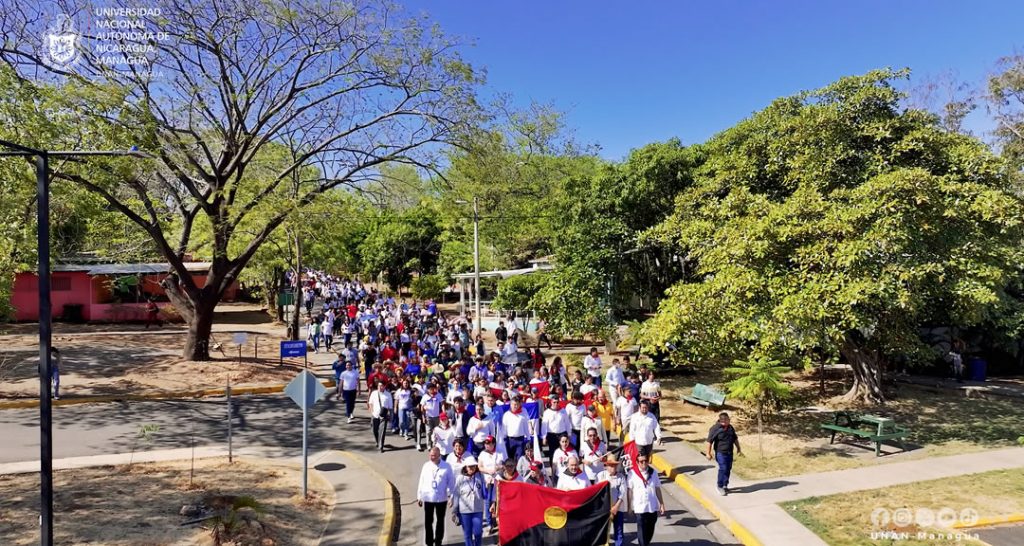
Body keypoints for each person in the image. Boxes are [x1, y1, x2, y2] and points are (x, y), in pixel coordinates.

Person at [416, 447, 455, 546]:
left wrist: (451, 496)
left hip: (441, 498)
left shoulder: (447, 466)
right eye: (430, 455)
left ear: (439, 456)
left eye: (433, 456)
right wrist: (419, 496)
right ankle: (429, 542)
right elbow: (422, 481)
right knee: (428, 521)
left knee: (440, 520)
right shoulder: (426, 466)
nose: (431, 457)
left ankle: (438, 541)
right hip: (428, 497)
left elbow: (451, 483)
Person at [627, 453, 665, 546]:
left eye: (645, 461)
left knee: (650, 530)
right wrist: (629, 506)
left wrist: (661, 503)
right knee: (641, 531)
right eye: (641, 461)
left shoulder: (653, 472)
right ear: (637, 462)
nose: (644, 463)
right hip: (640, 508)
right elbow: (630, 491)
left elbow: (657, 488)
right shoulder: (632, 473)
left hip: (652, 507)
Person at [452, 455, 486, 546]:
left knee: (478, 533)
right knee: (468, 534)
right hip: (464, 511)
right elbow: (456, 495)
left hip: (477, 509)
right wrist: (455, 510)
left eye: (473, 466)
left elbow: (484, 490)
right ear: (465, 467)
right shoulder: (460, 478)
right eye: (469, 466)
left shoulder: (480, 476)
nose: (472, 468)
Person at [705, 412, 742, 496]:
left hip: (729, 452)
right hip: (720, 453)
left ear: (729, 420)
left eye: (727, 420)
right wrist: (708, 453)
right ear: (720, 420)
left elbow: (735, 438)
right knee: (723, 468)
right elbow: (709, 441)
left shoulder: (730, 428)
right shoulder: (715, 428)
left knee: (728, 469)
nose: (725, 422)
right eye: (723, 421)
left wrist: (739, 448)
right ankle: (720, 485)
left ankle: (725, 485)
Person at [477, 435, 506, 534]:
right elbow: (480, 467)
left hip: (498, 480)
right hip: (487, 481)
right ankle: (489, 523)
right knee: (487, 502)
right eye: (486, 443)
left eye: (489, 443)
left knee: (498, 500)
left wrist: (497, 468)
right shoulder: (482, 454)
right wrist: (488, 471)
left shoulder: (499, 454)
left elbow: (504, 466)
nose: (487, 445)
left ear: (494, 444)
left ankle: (499, 521)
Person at [597, 454, 627, 546]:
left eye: (614, 465)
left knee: (618, 530)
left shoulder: (621, 477)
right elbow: (596, 492)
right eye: (610, 465)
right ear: (606, 466)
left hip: (617, 508)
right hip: (604, 509)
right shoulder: (600, 476)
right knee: (603, 530)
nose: (613, 467)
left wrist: (616, 507)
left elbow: (622, 493)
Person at [502, 397, 532, 462]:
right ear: (510, 404)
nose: (515, 406)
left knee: (519, 459)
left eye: (517, 404)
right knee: (510, 459)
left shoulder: (523, 413)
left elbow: (526, 426)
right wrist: (503, 440)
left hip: (520, 440)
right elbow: (504, 429)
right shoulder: (506, 415)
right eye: (513, 404)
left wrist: (528, 438)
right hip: (510, 440)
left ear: (519, 405)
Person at [368, 380, 393, 452]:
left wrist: (390, 417)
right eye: (378, 385)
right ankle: (377, 441)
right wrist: (372, 412)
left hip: (383, 416)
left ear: (384, 386)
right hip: (375, 415)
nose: (379, 387)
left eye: (381, 385)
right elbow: (370, 403)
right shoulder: (374, 393)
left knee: (382, 431)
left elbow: (390, 407)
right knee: (374, 430)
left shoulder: (388, 394)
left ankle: (381, 446)